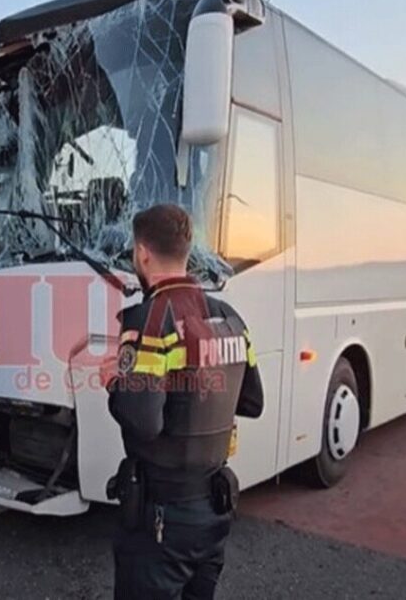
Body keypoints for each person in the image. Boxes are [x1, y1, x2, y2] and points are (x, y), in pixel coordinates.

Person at [106, 204, 264, 600]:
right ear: (187, 250)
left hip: (161, 518)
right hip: (214, 512)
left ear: (142, 253)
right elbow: (252, 401)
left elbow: (143, 421)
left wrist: (113, 381)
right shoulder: (230, 317)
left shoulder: (147, 320)